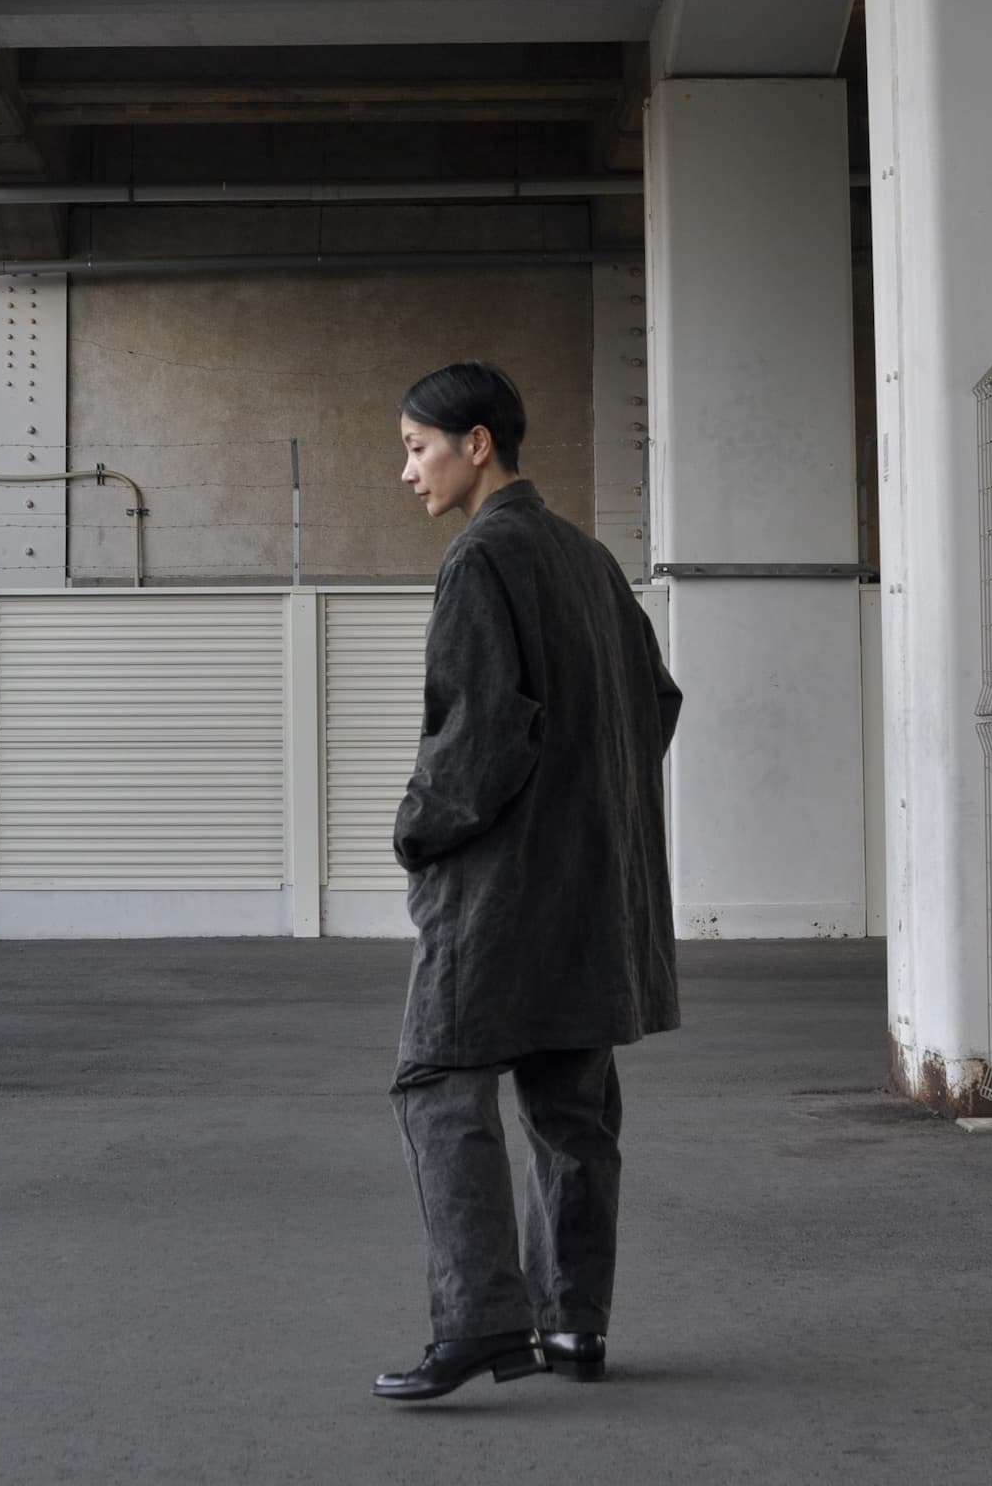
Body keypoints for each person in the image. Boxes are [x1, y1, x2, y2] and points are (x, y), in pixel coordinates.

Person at [373, 360, 682, 1403]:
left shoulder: (481, 558)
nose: (407, 469)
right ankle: (573, 1324)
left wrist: (416, 832)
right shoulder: (589, 560)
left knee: (435, 1081)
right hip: (591, 890)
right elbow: (656, 701)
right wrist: (588, 801)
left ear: (476, 444)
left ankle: (480, 1323)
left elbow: (477, 737)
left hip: (498, 891)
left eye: (417, 446)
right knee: (570, 1105)